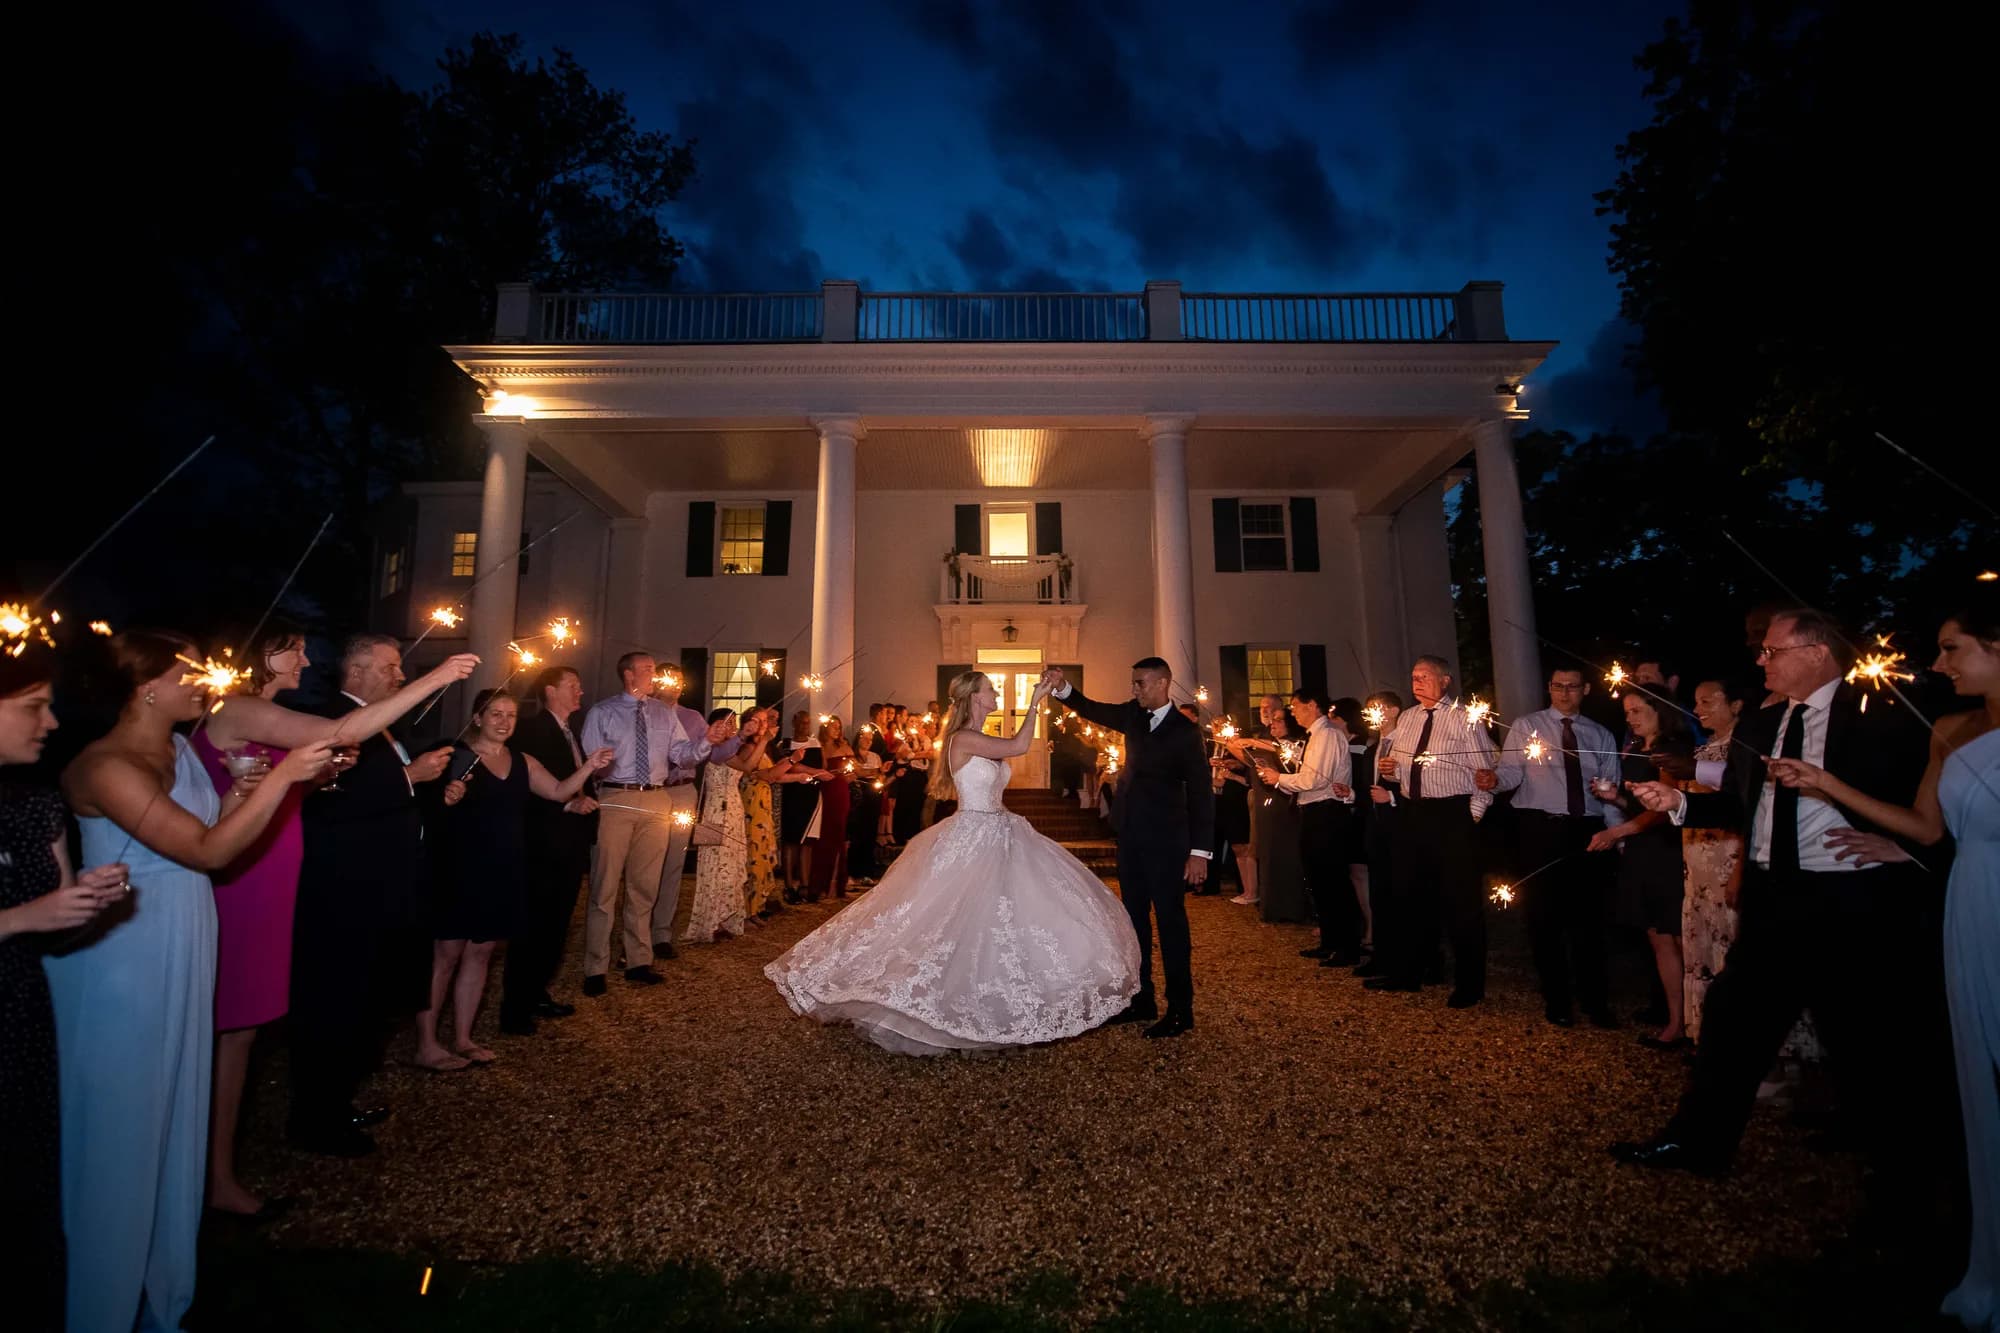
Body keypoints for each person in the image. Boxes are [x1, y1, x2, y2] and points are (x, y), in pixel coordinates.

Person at [50, 629, 329, 1331]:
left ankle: (162, 1292)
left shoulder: (179, 749)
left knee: (177, 1111)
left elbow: (216, 827)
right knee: (125, 1128)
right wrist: (289, 773)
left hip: (185, 935)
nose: (202, 682)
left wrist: (243, 791)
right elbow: (207, 851)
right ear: (147, 686)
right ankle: (101, 1302)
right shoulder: (107, 765)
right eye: (187, 673)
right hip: (126, 955)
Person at [1611, 609, 1935, 1207]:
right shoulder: (1765, 725)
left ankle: (1905, 1170)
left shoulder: (1879, 715)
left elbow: (1928, 800)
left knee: (1868, 1031)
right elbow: (1740, 807)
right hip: (1775, 895)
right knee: (1734, 1023)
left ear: (1815, 652)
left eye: (1772, 651)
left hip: (1848, 896)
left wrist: (1908, 848)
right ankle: (1698, 1143)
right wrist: (1678, 806)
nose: (1761, 661)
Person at [1761, 597, 1999, 1331]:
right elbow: (1928, 825)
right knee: (1978, 1076)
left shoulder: (1897, 716)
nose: (1937, 663)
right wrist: (1828, 786)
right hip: (1973, 908)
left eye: (1954, 648)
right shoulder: (1954, 730)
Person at [192, 625, 476, 1210]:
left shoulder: (310, 720)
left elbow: (319, 783)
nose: (307, 657)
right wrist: (440, 679)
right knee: (306, 1007)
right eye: (292, 648)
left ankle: (319, 1110)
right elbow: (342, 766)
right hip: (321, 885)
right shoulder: (259, 712)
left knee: (310, 1014)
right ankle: (298, 1124)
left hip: (328, 878)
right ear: (258, 656)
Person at [766, 671, 1139, 1053]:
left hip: (999, 830)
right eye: (990, 690)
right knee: (945, 920)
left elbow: (997, 775)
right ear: (975, 697)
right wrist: (1034, 705)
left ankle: (997, 1002)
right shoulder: (962, 738)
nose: (995, 694)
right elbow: (1019, 745)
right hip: (973, 834)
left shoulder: (979, 737)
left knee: (1003, 922)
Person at [289, 634, 457, 1157]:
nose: (399, 676)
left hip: (384, 886)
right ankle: (316, 1119)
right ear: (356, 671)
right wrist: (412, 776)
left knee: (367, 1006)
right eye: (389, 667)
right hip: (347, 890)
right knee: (336, 1005)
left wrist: (426, 786)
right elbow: (328, 800)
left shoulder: (383, 725)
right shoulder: (336, 720)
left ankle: (339, 1102)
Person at [0, 641, 125, 1332]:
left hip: (20, 1023)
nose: (49, 721)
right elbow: (28, 917)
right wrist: (25, 915)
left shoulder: (33, 803)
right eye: (30, 706)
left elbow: (55, 932)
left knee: (27, 1202)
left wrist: (85, 902)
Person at [423, 690, 610, 1067]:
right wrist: (446, 797)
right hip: (460, 866)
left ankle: (463, 1038)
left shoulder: (522, 761)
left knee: (480, 953)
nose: (504, 721)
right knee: (445, 955)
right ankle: (426, 1043)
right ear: (477, 718)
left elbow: (558, 791)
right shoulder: (454, 755)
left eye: (510, 715)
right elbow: (426, 803)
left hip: (503, 866)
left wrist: (590, 767)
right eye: (495, 714)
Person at [1046, 659, 1215, 1038]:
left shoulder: (1186, 733)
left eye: (1139, 683)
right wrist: (1062, 689)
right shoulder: (1133, 717)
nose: (1134, 689)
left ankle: (1180, 1008)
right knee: (1132, 920)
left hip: (1168, 842)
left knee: (1171, 923)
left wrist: (1200, 851)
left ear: (1162, 683)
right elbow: (1093, 708)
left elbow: (1202, 795)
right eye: (1133, 683)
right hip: (1132, 838)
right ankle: (1142, 998)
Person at [577, 652, 733, 995]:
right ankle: (595, 966)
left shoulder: (664, 713)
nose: (655, 674)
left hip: (657, 798)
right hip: (617, 797)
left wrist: (708, 740)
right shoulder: (603, 712)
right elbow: (589, 762)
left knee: (644, 885)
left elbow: (682, 755)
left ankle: (638, 961)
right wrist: (599, 770)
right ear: (629, 674)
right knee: (604, 886)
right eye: (648, 668)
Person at [1493, 667, 1623, 1028]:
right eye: (1557, 686)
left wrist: (1616, 836)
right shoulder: (1526, 726)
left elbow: (1612, 790)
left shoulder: (1600, 734)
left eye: (1572, 687)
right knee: (1544, 919)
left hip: (1588, 831)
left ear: (1586, 690)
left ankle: (1595, 1000)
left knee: (1590, 921)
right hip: (1542, 830)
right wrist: (1492, 781)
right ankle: (1557, 1000)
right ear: (1549, 688)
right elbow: (1510, 772)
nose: (1564, 693)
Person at [1370, 655, 1497, 1007]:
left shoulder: (1464, 720)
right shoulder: (1408, 718)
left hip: (1451, 813)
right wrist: (1391, 770)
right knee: (1410, 896)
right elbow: (1402, 771)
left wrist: (1469, 817)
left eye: (1425, 676)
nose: (1418, 681)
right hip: (1414, 813)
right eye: (1414, 676)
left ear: (1445, 681)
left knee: (1461, 902)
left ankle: (1470, 984)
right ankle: (1412, 971)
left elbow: (1485, 774)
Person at [500, 665, 600, 1037]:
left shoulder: (568, 731)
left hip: (569, 842)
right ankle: (514, 1009)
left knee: (557, 924)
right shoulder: (531, 730)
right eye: (573, 686)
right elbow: (525, 786)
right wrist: (567, 804)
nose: (581, 691)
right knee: (533, 926)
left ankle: (537, 991)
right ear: (550, 691)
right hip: (543, 843)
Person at [1593, 690, 1696, 1046]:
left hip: (1668, 850)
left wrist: (1617, 831)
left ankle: (1700, 1025)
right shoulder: (1635, 749)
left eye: (1638, 710)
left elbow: (1664, 809)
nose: (1631, 718)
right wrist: (1616, 799)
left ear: (1659, 709)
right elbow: (1640, 805)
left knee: (1683, 941)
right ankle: (1675, 1023)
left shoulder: (1672, 749)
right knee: (1658, 939)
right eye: (1627, 712)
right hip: (1642, 850)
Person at [647, 666, 742, 958]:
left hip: (683, 792)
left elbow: (717, 754)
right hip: (651, 792)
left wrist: (740, 736)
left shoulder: (692, 718)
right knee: (646, 865)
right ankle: (637, 935)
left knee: (673, 863)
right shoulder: (644, 713)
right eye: (667, 679)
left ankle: (661, 933)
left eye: (679, 681)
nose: (674, 685)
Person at [1259, 689, 1358, 967]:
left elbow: (1315, 779)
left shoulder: (1326, 735)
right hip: (1314, 811)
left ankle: (1347, 946)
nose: (1292, 712)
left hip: (1326, 813)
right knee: (1319, 880)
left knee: (1333, 880)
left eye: (1295, 706)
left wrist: (1279, 778)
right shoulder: (1314, 736)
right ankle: (1330, 941)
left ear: (1312, 705)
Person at [687, 707, 773, 941]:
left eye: (733, 723)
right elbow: (746, 767)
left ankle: (725, 919)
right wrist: (760, 740)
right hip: (714, 810)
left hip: (734, 808)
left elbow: (748, 766)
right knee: (713, 865)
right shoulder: (714, 749)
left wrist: (761, 740)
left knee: (732, 865)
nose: (731, 727)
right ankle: (709, 922)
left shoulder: (731, 749)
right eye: (727, 723)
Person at [1235, 709, 1309, 924]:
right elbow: (1245, 755)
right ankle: (1272, 905)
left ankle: (1292, 907)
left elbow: (1290, 757)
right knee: (1267, 854)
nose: (1273, 723)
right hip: (1265, 804)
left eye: (1279, 720)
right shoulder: (1267, 745)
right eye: (1272, 720)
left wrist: (1255, 742)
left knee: (1287, 856)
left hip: (1285, 805)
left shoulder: (1293, 744)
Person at [1356, 691, 1404, 979]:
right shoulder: (1373, 750)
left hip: (1400, 831)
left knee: (1400, 896)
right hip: (1376, 830)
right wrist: (1351, 794)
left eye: (1378, 708)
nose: (1372, 714)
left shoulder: (1406, 745)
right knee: (1379, 896)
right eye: (1369, 708)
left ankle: (1404, 959)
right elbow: (1367, 790)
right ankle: (1382, 956)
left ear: (1395, 710)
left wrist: (1392, 798)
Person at [774, 711, 823, 895]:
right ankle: (788, 884)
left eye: (807, 723)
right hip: (792, 795)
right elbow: (786, 766)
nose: (805, 726)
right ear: (794, 723)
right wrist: (811, 771)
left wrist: (819, 774)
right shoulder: (785, 745)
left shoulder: (815, 744)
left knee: (808, 841)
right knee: (791, 841)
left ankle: (805, 883)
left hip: (811, 796)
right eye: (801, 722)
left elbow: (823, 767)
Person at [807, 715, 856, 902]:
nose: (837, 729)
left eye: (839, 726)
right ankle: (821, 886)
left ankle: (837, 886)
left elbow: (854, 771)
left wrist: (851, 775)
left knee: (839, 837)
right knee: (825, 839)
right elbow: (820, 772)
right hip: (827, 793)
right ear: (825, 728)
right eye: (833, 726)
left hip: (842, 793)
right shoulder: (819, 747)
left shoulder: (845, 746)